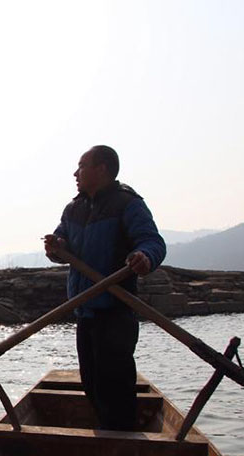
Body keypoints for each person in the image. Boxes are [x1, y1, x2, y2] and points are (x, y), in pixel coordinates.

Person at [44, 145, 166, 430]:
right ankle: (108, 440)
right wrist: (56, 247)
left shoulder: (127, 204)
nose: (76, 173)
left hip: (115, 311)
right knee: (92, 384)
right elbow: (62, 242)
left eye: (82, 166)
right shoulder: (73, 209)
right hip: (84, 312)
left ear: (102, 170)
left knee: (116, 387)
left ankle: (124, 448)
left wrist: (144, 257)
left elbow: (153, 242)